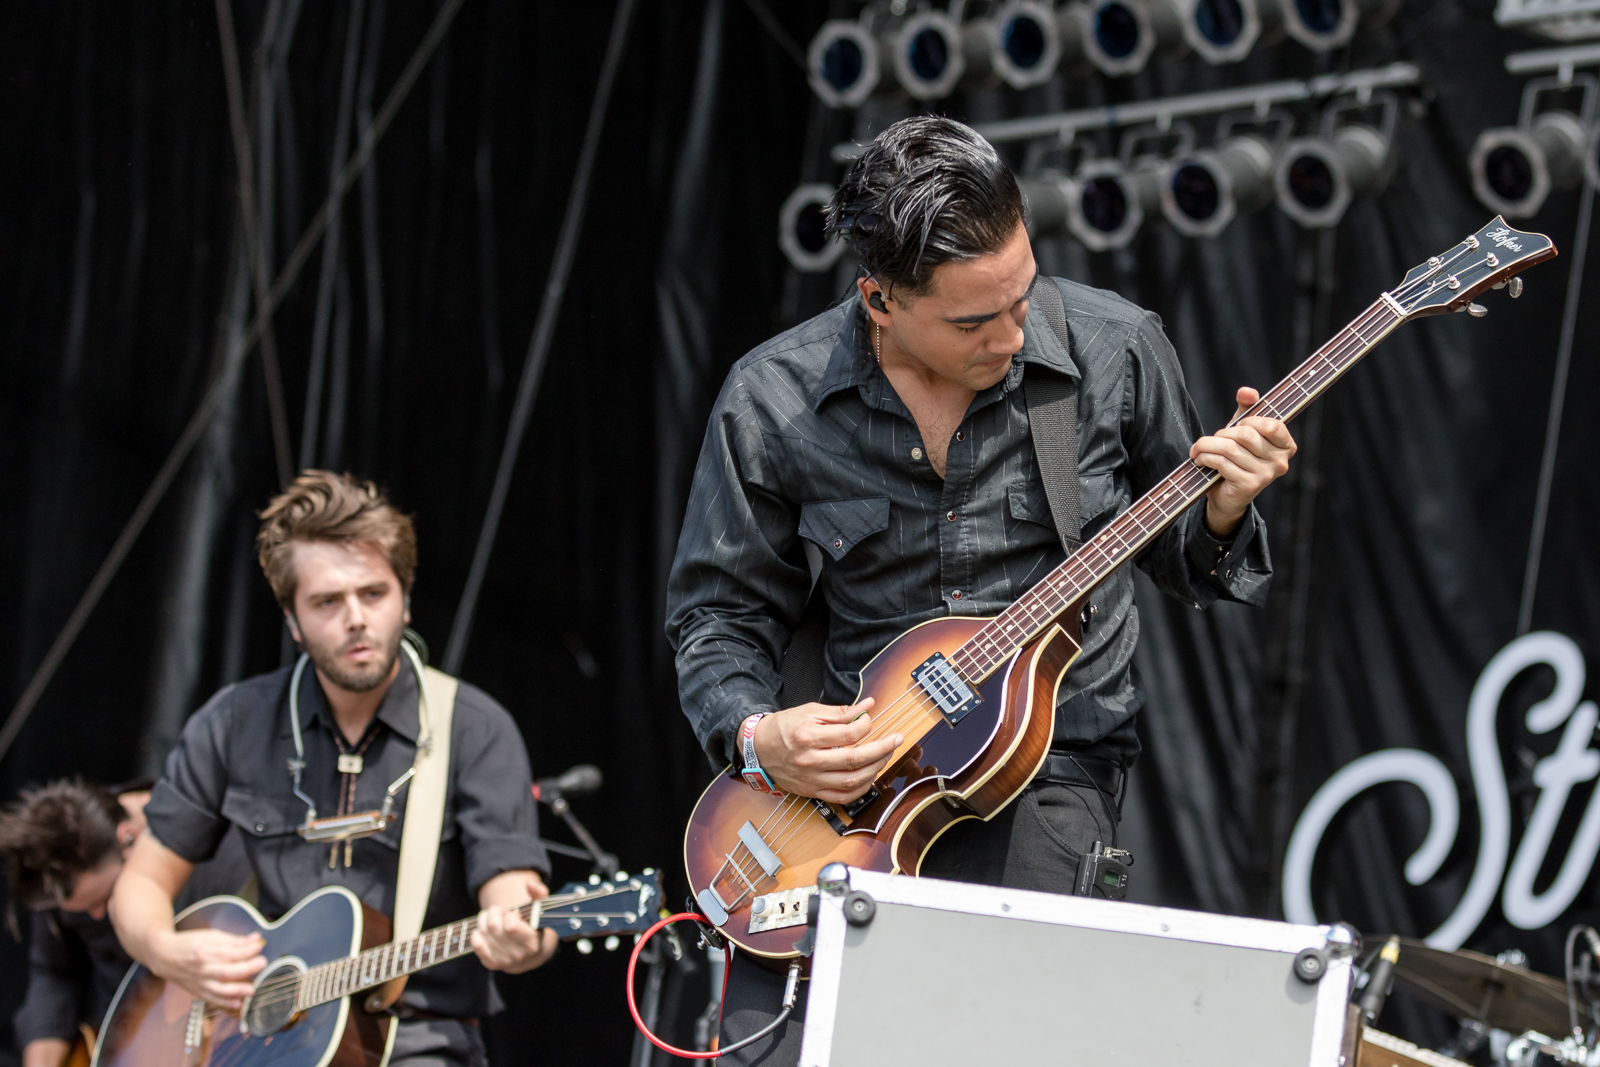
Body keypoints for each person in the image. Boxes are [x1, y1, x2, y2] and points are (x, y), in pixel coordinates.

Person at [665, 115, 1297, 1062]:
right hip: (850, 798)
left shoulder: (1114, 347)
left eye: (1022, 295)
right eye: (972, 320)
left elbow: (1188, 558)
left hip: (1048, 774)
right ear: (879, 299)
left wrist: (1221, 511)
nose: (1011, 333)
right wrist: (761, 736)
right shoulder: (774, 397)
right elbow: (717, 614)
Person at [110, 471, 557, 1067]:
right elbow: (138, 886)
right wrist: (168, 953)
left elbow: (513, 894)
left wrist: (523, 937)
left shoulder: (474, 728)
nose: (355, 619)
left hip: (414, 1037)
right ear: (293, 621)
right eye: (326, 602)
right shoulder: (234, 721)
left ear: (405, 597)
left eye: (373, 594)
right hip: (255, 1037)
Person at [0, 780, 249, 1067]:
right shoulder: (65, 857)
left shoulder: (221, 838)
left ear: (129, 838)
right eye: (82, 910)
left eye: (106, 899)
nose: (96, 914)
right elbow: (55, 972)